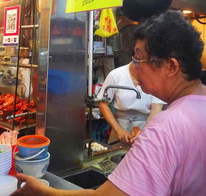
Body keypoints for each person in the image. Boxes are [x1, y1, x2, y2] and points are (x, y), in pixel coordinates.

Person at [11, 10, 206, 195]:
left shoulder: (165, 129)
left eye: (139, 59)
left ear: (170, 66)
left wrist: (42, 192)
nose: (135, 68)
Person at [96, 61, 165, 145]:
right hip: (119, 126)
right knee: (117, 156)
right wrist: (119, 130)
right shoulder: (116, 75)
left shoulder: (156, 76)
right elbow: (103, 104)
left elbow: (156, 109)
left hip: (146, 125)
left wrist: (144, 132)